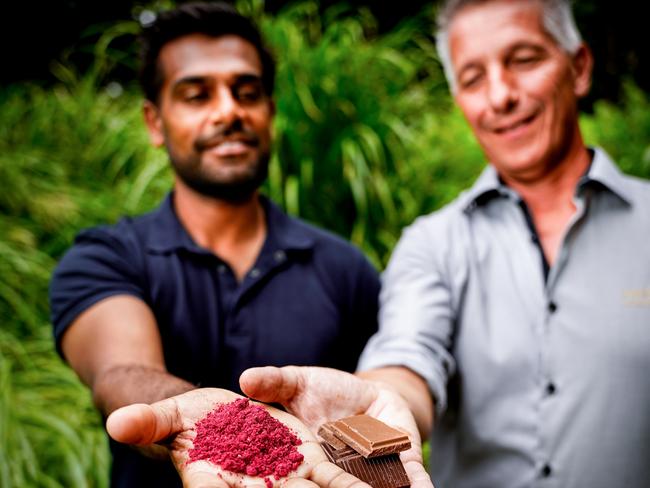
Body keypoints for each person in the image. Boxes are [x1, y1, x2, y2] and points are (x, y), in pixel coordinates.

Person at [237, 0, 650, 487]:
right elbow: (409, 352)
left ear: (578, 68)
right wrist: (377, 401)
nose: (500, 95)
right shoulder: (431, 244)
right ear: (460, 101)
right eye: (473, 78)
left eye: (523, 60)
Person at [48, 3, 380, 487]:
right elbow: (120, 370)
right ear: (155, 122)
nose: (228, 111)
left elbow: (373, 403)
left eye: (247, 92)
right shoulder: (105, 258)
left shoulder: (345, 268)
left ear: (268, 111)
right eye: (196, 95)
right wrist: (196, 418)